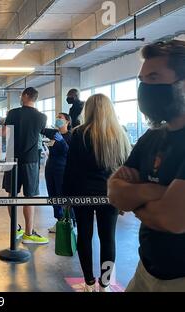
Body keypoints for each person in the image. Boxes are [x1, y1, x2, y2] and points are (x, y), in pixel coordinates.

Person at [108, 40, 185, 292]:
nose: (145, 88)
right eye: (142, 80)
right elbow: (114, 192)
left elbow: (172, 218)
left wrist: (134, 202)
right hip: (146, 271)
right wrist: (153, 193)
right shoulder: (152, 137)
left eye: (154, 78)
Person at [63, 94, 131, 292]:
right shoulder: (120, 135)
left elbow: (71, 169)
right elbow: (125, 169)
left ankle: (89, 282)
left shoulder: (79, 134)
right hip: (110, 195)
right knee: (108, 238)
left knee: (84, 236)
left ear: (88, 110)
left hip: (82, 193)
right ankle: (105, 284)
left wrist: (66, 196)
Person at [2, 87, 49, 244]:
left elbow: (4, 133)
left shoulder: (13, 113)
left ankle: (15, 229)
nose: (20, 97)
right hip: (30, 160)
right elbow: (40, 135)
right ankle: (29, 233)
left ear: (25, 95)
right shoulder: (42, 117)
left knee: (12, 194)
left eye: (21, 95)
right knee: (30, 196)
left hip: (12, 158)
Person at [45, 113, 73, 233]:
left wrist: (62, 141)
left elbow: (68, 152)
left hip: (62, 169)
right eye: (57, 117)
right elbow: (41, 129)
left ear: (67, 122)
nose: (58, 119)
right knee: (52, 195)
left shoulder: (70, 136)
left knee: (63, 194)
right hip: (50, 167)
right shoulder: (53, 134)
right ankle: (59, 220)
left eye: (60, 118)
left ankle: (69, 221)